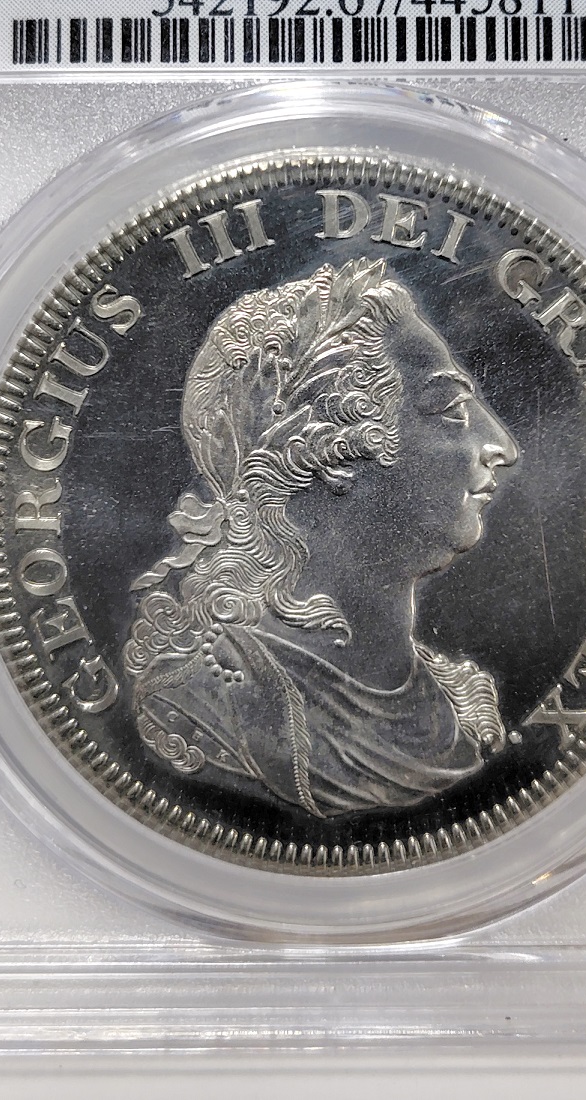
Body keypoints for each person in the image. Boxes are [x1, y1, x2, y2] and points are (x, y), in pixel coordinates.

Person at [123, 256, 518, 818]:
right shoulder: (199, 708)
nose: (502, 445)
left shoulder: (463, 703)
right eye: (450, 409)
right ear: (334, 451)